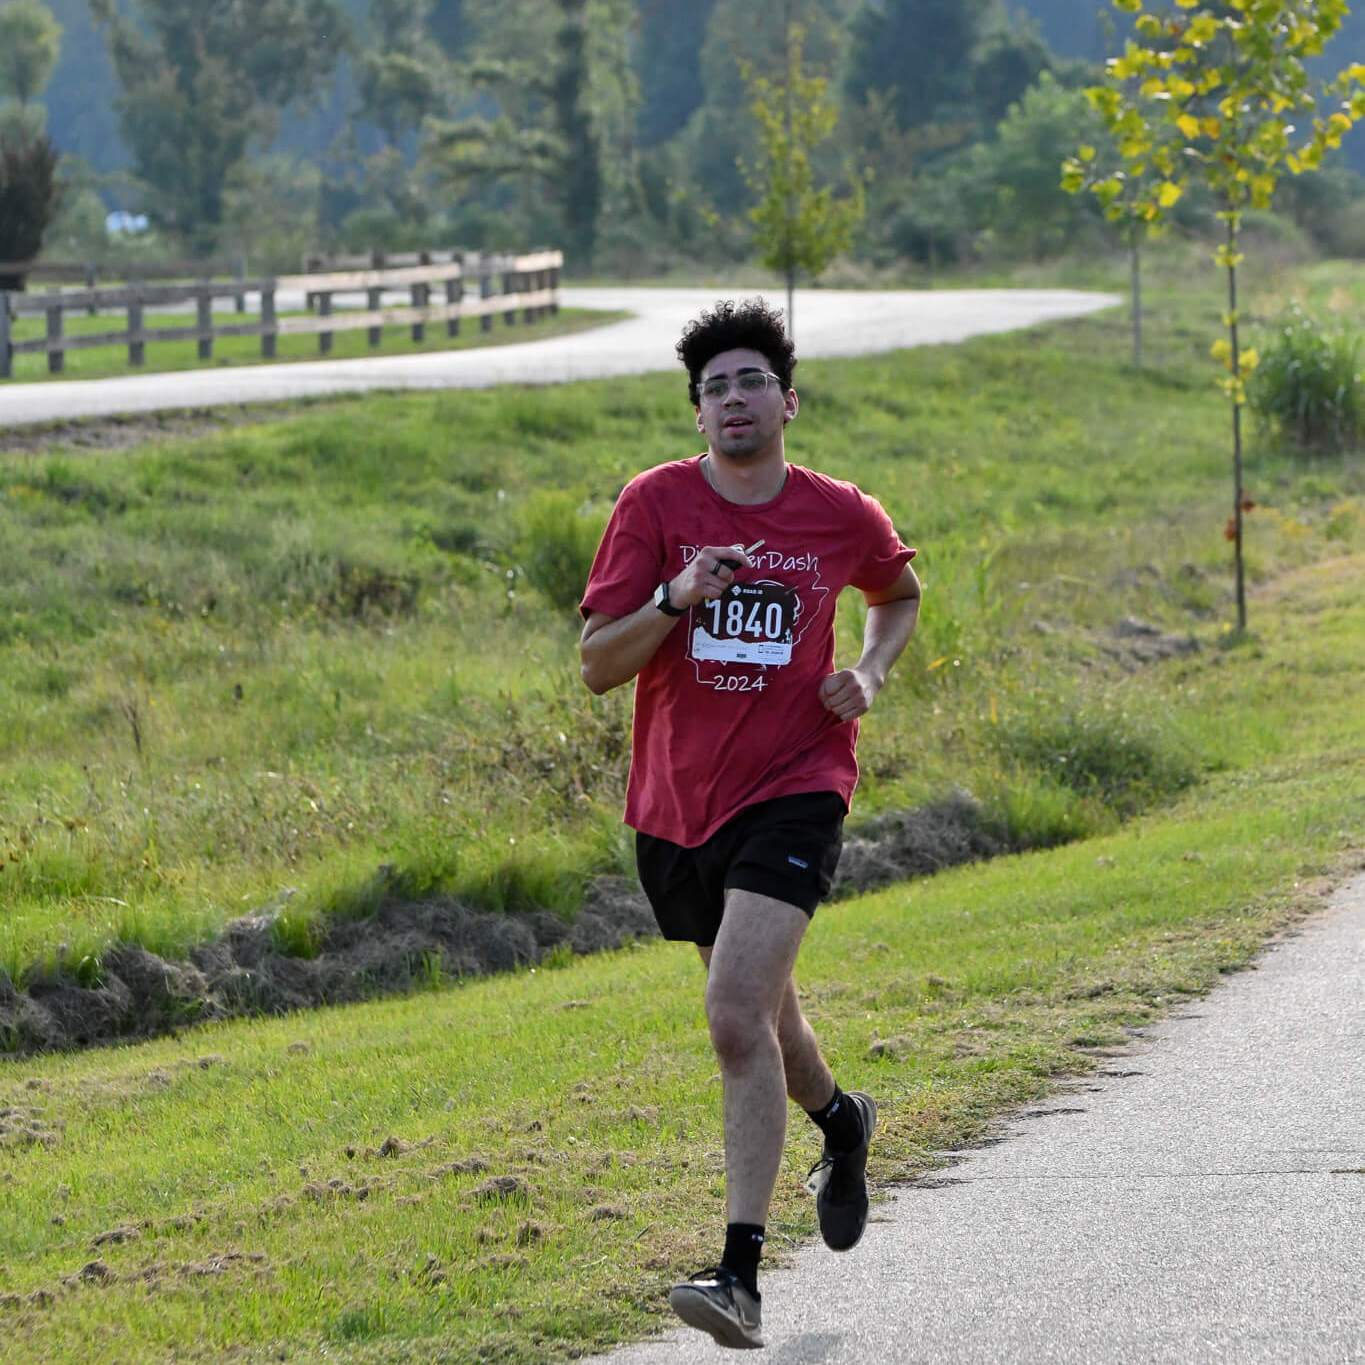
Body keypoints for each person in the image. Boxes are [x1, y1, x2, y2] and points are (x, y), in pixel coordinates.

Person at [578, 298, 921, 1350]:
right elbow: (596, 665)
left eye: (751, 382)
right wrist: (675, 596)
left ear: (787, 402)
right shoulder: (654, 505)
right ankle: (842, 1124)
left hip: (797, 785)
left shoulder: (838, 513)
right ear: (698, 413)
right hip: (679, 806)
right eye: (715, 387)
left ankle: (739, 1276)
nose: (734, 398)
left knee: (733, 1012)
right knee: (768, 1022)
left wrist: (868, 672)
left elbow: (898, 593)